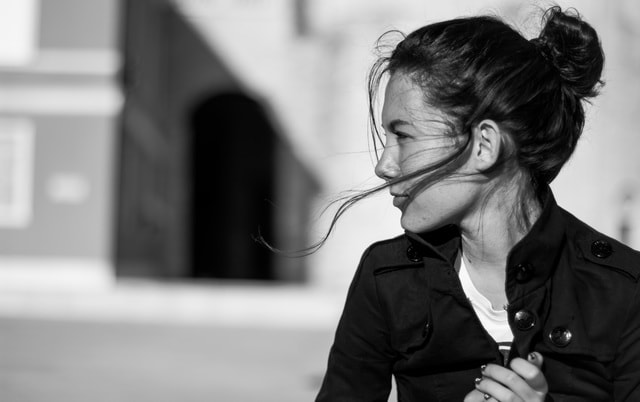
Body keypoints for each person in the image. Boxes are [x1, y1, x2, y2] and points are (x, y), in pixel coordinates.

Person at [315, 6, 640, 402]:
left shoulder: (625, 291)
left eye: (404, 136)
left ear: (484, 145)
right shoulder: (386, 278)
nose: (385, 166)